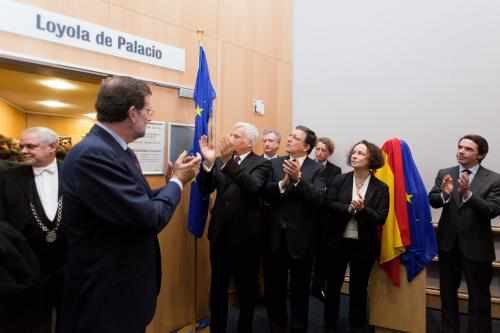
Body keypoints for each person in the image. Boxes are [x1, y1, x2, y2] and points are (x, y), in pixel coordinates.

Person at [58, 76, 201, 333]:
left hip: (121, 291)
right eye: (148, 110)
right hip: (107, 297)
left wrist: (170, 183)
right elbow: (149, 217)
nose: (151, 118)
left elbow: (131, 204)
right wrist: (178, 183)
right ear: (132, 113)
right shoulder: (95, 154)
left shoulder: (114, 150)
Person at [197, 122, 271, 333]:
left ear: (249, 142)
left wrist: (228, 161)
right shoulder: (221, 160)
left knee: (246, 290)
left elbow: (254, 187)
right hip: (220, 234)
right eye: (231, 134)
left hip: (246, 238)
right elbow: (204, 188)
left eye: (236, 136)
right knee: (217, 288)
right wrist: (208, 165)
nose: (230, 138)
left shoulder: (261, 164)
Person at [429, 134, 500, 333]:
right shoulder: (446, 172)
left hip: (477, 248)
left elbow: (492, 210)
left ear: (480, 154)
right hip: (448, 245)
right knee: (447, 296)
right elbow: (433, 199)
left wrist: (468, 194)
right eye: (460, 147)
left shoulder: (494, 179)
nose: (461, 151)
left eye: (468, 149)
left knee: (479, 299)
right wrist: (444, 193)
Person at [0, 127, 67, 333]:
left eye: (31, 146)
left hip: (68, 265)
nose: (23, 151)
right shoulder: (7, 177)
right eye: (21, 146)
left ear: (52, 147)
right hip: (26, 267)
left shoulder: (75, 173)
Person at [324, 140, 389, 333]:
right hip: (338, 241)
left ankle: (357, 324)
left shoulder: (381, 187)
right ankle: (329, 323)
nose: (354, 156)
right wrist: (350, 208)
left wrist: (363, 210)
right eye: (354, 152)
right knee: (333, 285)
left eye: (360, 153)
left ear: (372, 159)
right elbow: (328, 205)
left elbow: (380, 217)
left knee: (358, 287)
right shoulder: (339, 180)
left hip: (364, 245)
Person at [264, 125, 324, 333]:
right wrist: (282, 183)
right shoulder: (275, 164)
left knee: (299, 292)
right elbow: (264, 193)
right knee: (274, 290)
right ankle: (276, 327)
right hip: (274, 238)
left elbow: (318, 199)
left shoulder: (316, 169)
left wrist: (298, 180)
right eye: (289, 136)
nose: (289, 139)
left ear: (306, 147)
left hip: (302, 240)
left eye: (295, 138)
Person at [311, 137, 342, 301]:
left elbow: (332, 194)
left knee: (323, 256)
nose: (320, 153)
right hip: (307, 217)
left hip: (325, 219)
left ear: (329, 153)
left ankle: (318, 286)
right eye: (318, 149)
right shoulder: (307, 165)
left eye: (324, 150)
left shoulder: (335, 171)